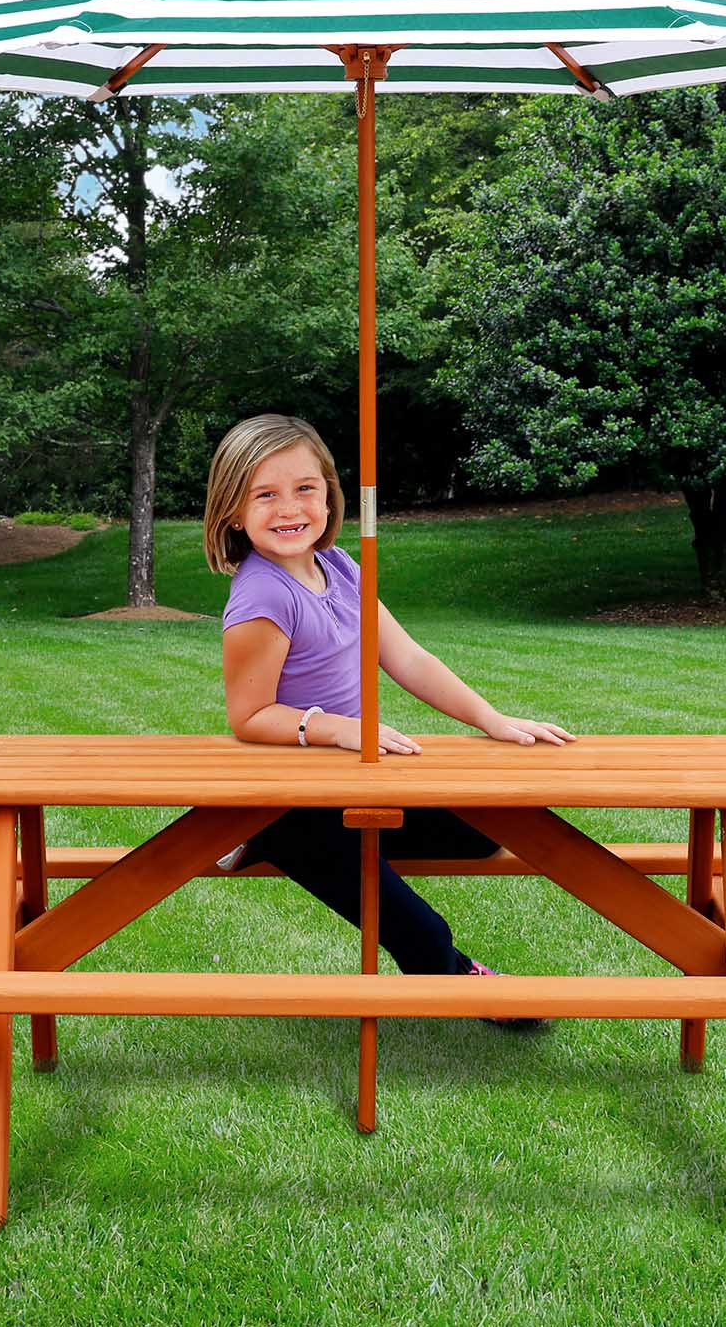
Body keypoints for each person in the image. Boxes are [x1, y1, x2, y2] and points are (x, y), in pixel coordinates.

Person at [203, 413, 574, 1015]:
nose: (289, 507)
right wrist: (340, 727)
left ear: (330, 494)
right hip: (289, 803)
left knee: (481, 832)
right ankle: (455, 978)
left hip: (349, 784)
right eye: (264, 494)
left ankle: (350, 864)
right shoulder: (263, 593)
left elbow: (406, 656)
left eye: (305, 488)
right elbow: (250, 716)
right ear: (231, 512)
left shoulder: (342, 568)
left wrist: (491, 719)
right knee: (421, 933)